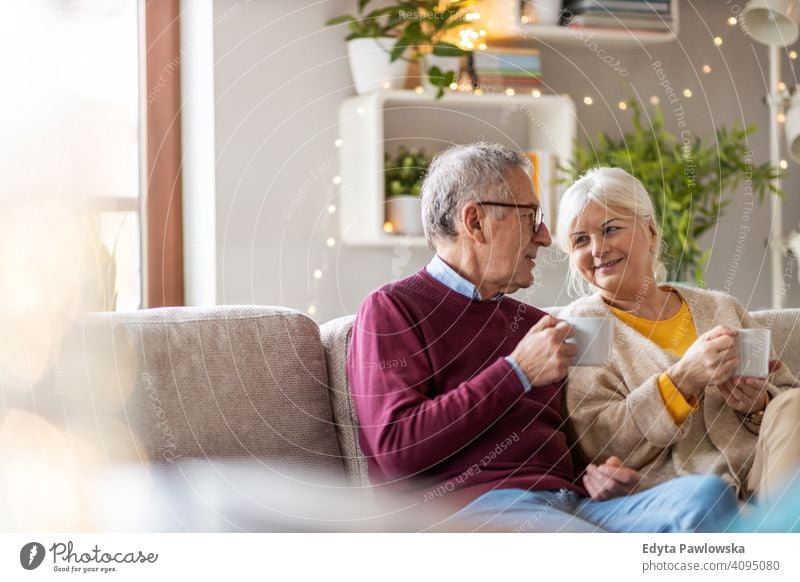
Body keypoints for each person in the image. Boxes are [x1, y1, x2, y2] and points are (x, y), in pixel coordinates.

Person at [346, 143, 738, 532]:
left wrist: (594, 473)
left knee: (705, 497)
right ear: (476, 222)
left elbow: (575, 437)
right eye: (531, 217)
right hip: (474, 515)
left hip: (571, 504)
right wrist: (517, 371)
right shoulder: (393, 309)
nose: (547, 237)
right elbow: (397, 449)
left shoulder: (533, 324)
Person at [555, 166, 800, 510]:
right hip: (678, 494)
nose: (597, 248)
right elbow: (597, 441)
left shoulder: (723, 308)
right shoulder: (583, 327)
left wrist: (758, 405)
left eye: (610, 229)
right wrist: (684, 378)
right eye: (580, 240)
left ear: (651, 232)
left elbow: (786, 399)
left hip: (765, 474)